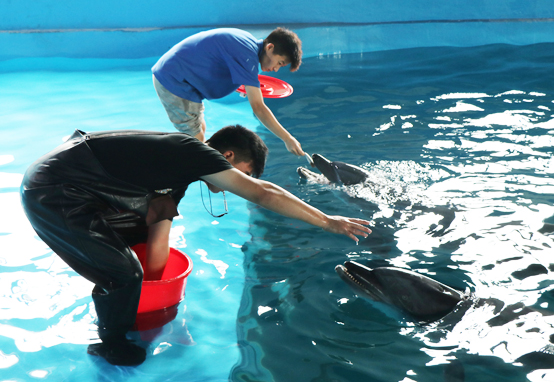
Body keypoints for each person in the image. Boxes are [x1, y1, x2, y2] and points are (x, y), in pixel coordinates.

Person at [20, 125, 370, 366]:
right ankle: (109, 343)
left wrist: (155, 294)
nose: (243, 183)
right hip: (54, 190)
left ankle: (123, 305)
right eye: (244, 173)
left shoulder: (173, 174)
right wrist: (327, 221)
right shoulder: (191, 151)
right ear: (227, 156)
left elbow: (157, 241)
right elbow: (264, 193)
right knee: (123, 274)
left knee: (137, 250)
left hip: (79, 186)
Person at [152, 27, 304, 155]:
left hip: (180, 77)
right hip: (175, 80)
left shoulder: (247, 44)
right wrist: (287, 138)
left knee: (200, 134)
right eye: (280, 63)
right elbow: (258, 107)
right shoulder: (247, 56)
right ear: (269, 48)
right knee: (196, 146)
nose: (276, 69)